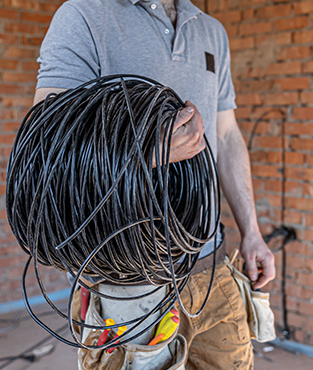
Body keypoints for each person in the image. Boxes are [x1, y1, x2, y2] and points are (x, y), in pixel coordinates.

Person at [33, 0, 275, 368]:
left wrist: (252, 232)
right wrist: (149, 148)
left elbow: (225, 135)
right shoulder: (84, 15)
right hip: (125, 281)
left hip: (211, 264)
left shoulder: (211, 30)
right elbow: (49, 145)